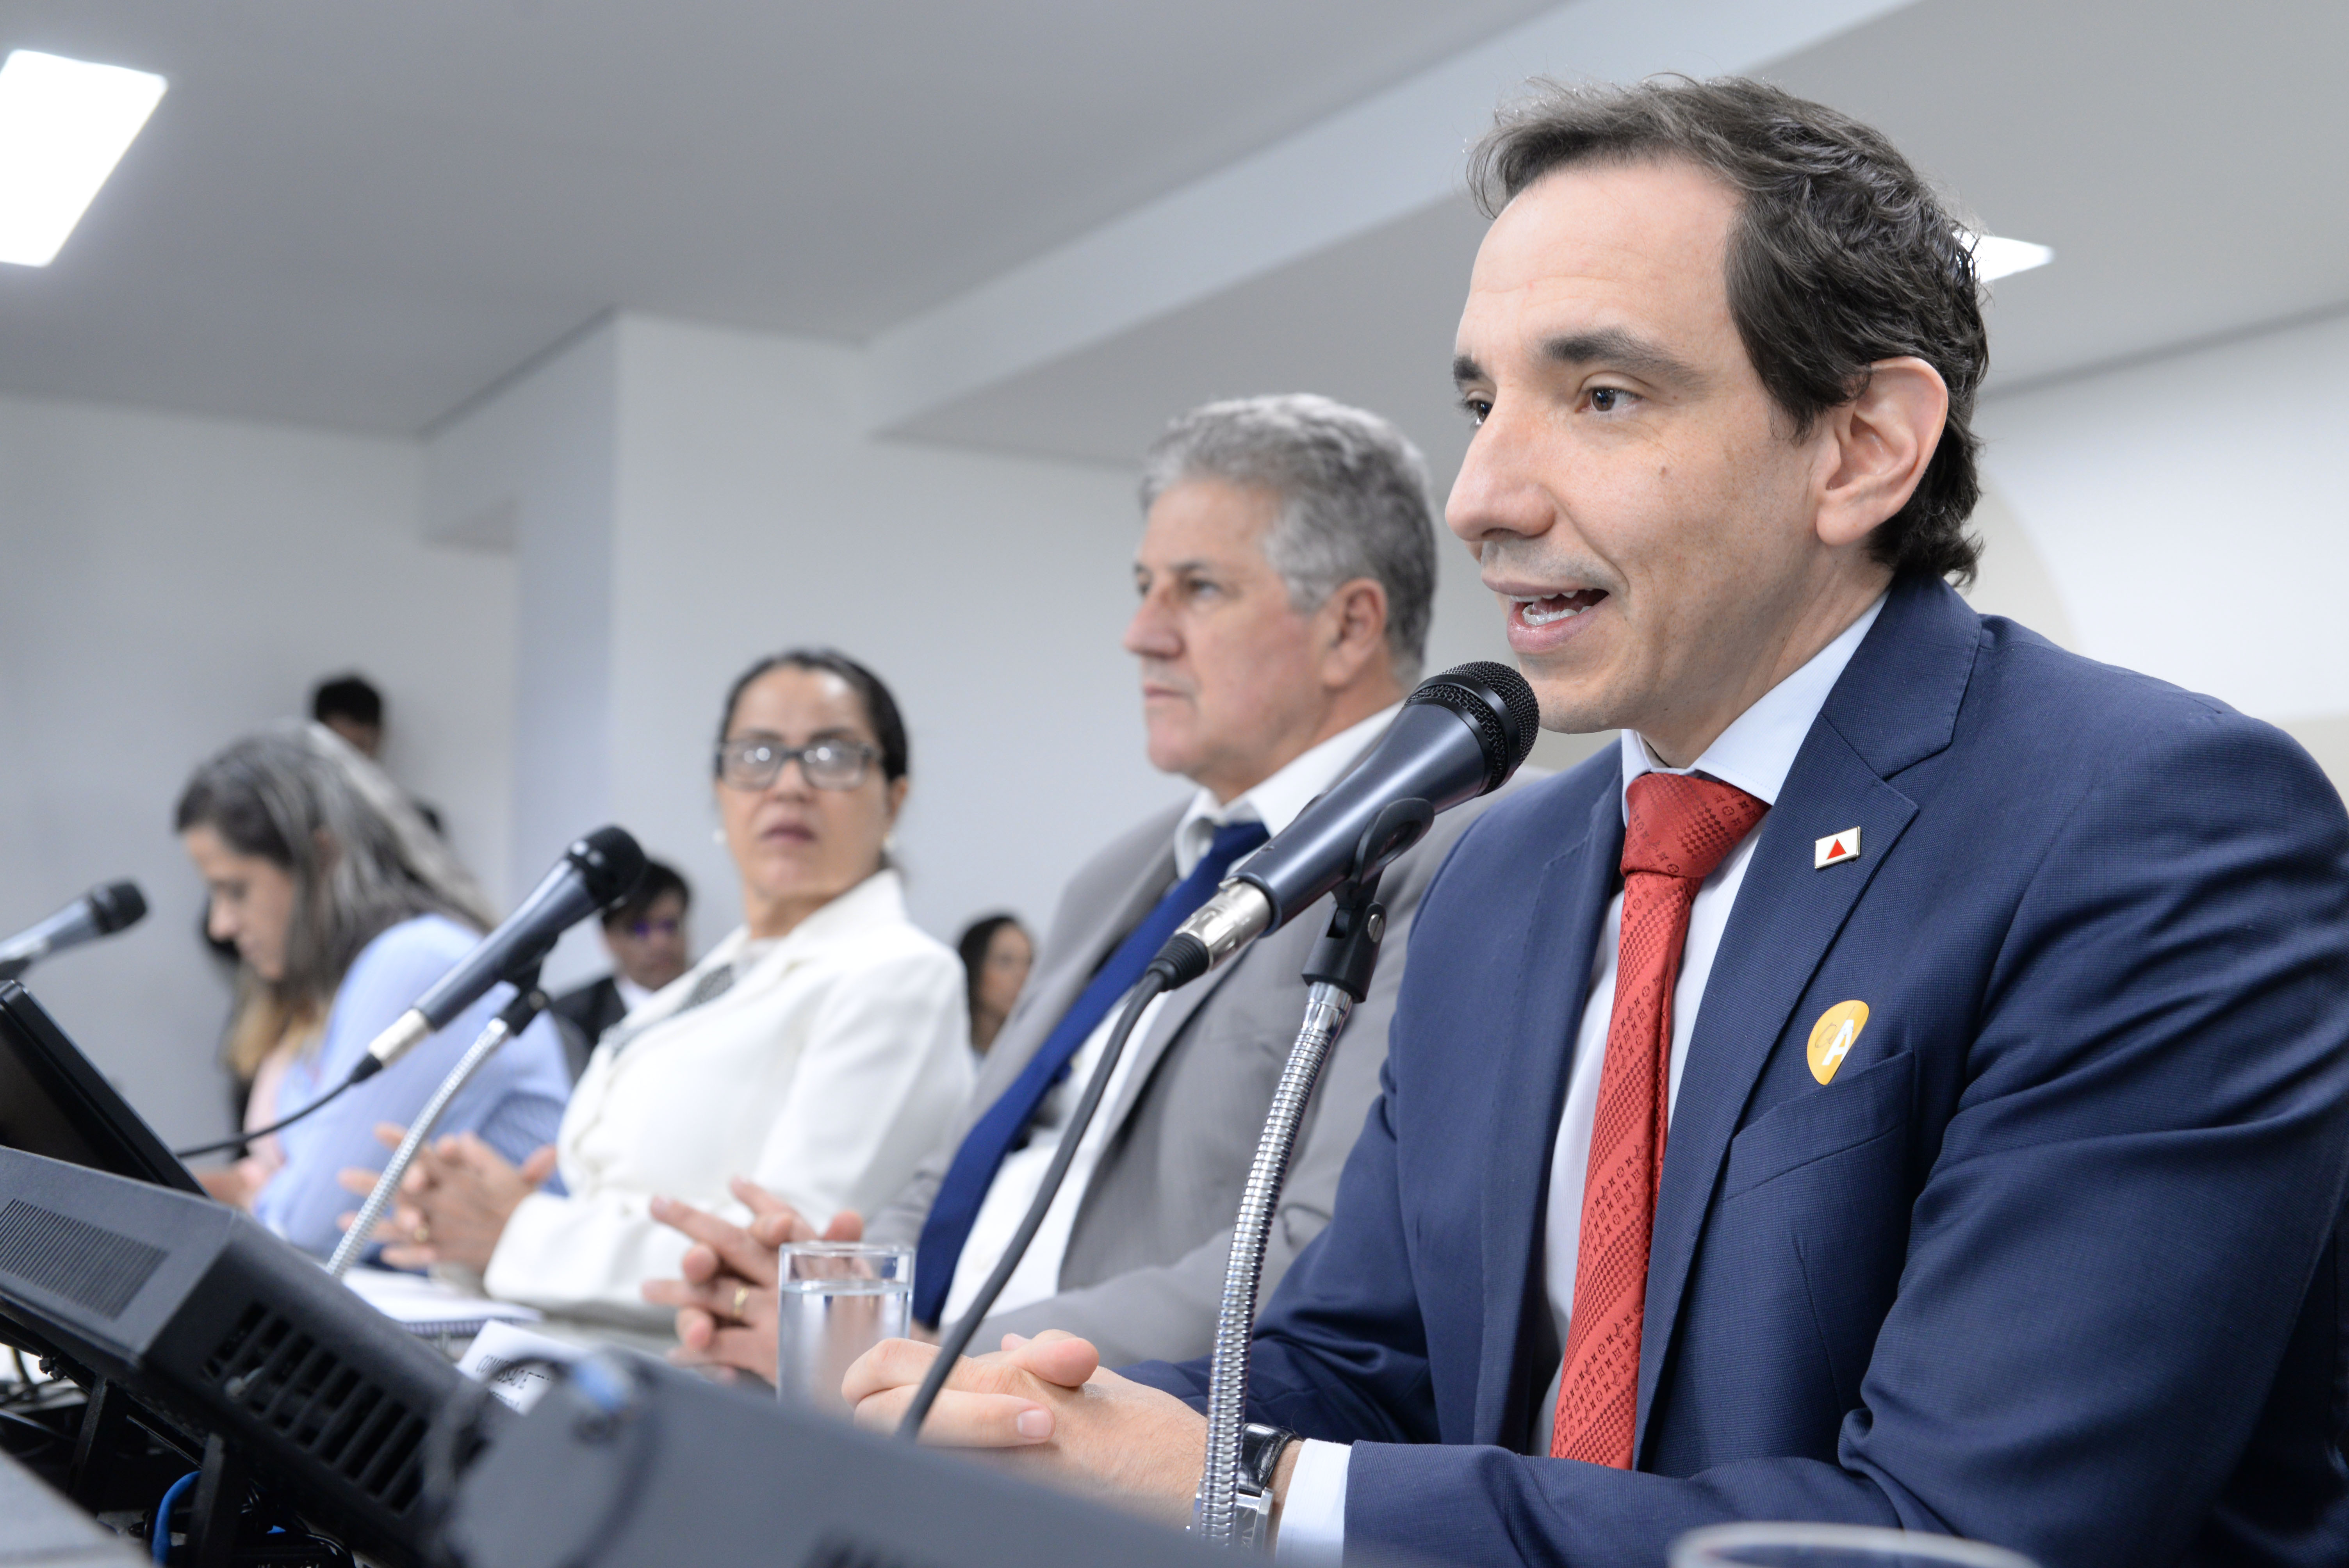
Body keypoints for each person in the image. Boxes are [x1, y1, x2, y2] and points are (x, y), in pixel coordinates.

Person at [838, 79, 2349, 1568]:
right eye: (1479, 404)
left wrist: (1243, 1486)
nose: (1480, 495)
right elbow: (1366, 1366)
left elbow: (1952, 1537)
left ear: (1859, 449)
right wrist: (1044, 1417)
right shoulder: (1503, 863)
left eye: (1601, 395)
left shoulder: (2150, 829)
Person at [643, 393, 1530, 1376]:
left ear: (1348, 627)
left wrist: (928, 1360)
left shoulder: (1466, 852)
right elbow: (960, 1168)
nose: (1140, 633)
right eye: (1144, 587)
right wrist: (830, 1297)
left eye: (1197, 590)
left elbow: (1318, 1253)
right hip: (916, 1389)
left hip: (1092, 1419)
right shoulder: (1121, 870)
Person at [347, 650, 973, 1333]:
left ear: (894, 799)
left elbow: (793, 1253)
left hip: (716, 1379)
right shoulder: (718, 975)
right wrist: (468, 1224)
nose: (790, 784)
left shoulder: (902, 973)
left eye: (832, 756)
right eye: (757, 755)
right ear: (720, 792)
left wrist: (520, 1234)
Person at [175, 722, 572, 1255]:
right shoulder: (338, 981)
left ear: (321, 859)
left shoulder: (415, 960)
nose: (220, 925)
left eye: (235, 890)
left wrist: (268, 1193)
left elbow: (316, 1224)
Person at [549, 859, 693, 1077]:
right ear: (609, 938)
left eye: (670, 925)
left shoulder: (725, 995)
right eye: (639, 929)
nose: (660, 943)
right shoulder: (570, 1021)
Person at [312, 672, 444, 833]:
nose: (349, 761)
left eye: (359, 747)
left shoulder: (418, 822)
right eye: (338, 748)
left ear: (379, 738)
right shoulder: (292, 822)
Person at [953, 913, 1031, 1055]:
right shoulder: (943, 1051)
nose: (1023, 976)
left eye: (1029, 963)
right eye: (1005, 961)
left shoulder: (1034, 1057)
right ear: (974, 968)